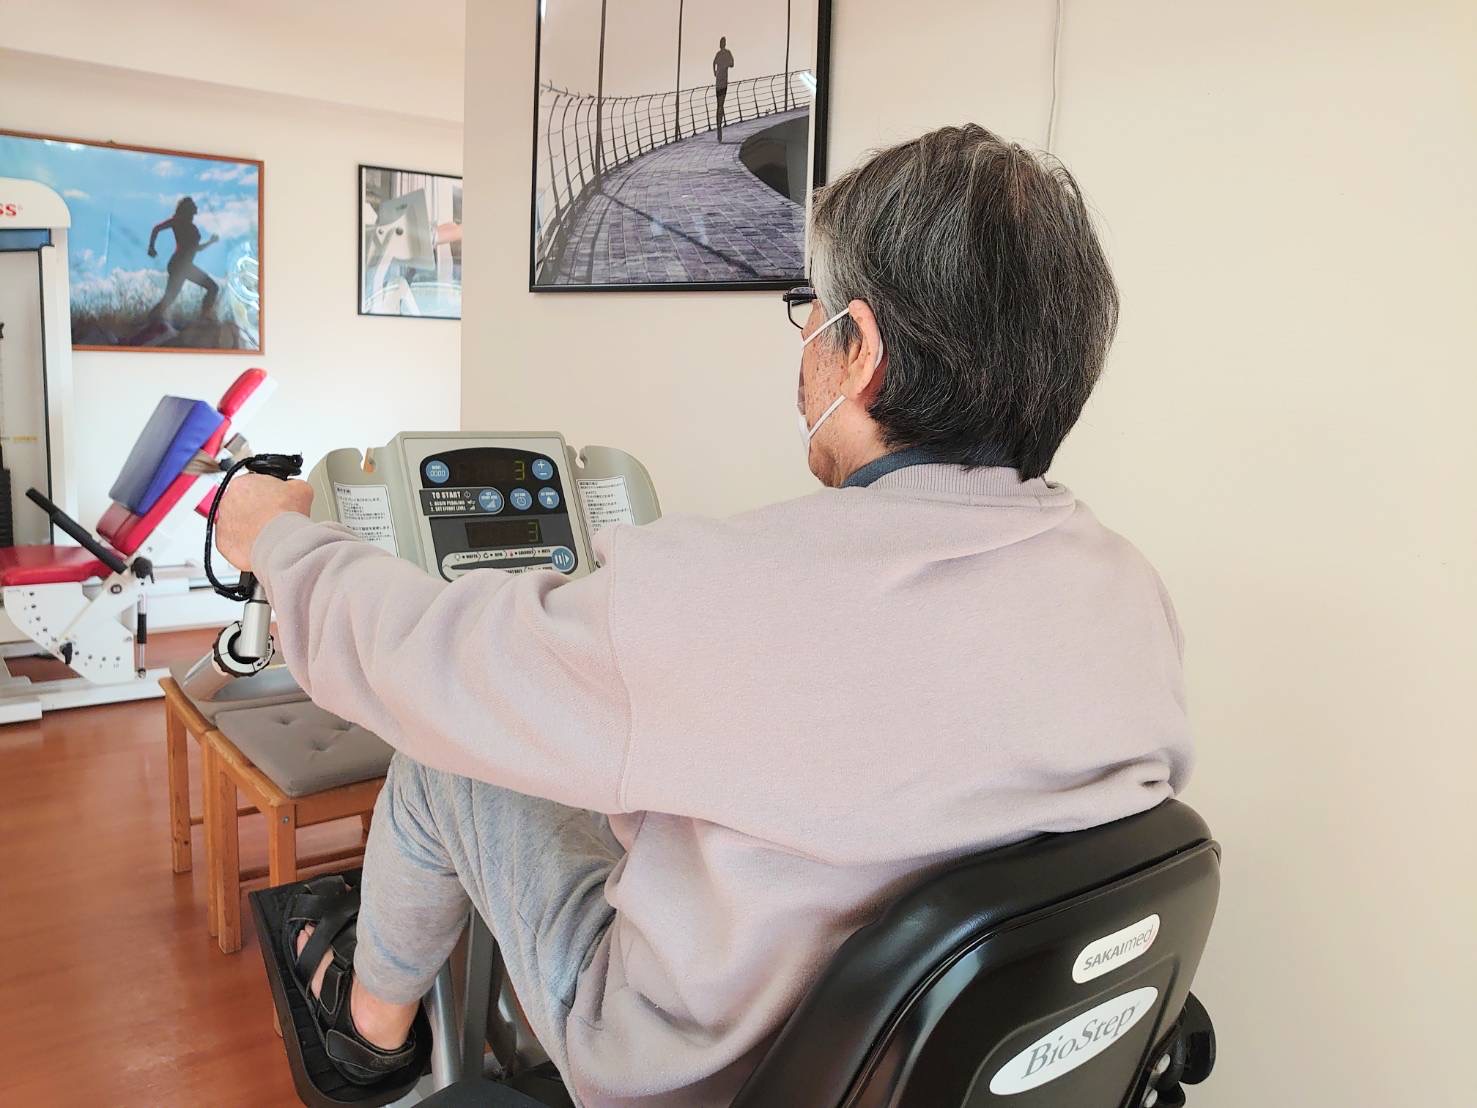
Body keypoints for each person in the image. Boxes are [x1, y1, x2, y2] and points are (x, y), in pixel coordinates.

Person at [214, 124, 1192, 1107]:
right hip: (927, 1076)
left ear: (859, 352)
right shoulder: (1124, 588)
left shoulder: (723, 592)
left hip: (688, 1076)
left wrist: (278, 541)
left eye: (810, 315)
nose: (804, 344)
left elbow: (424, 663)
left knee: (450, 755)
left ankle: (365, 1032)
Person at [145, 196, 220, 322]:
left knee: (169, 298)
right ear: (187, 209)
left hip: (185, 266)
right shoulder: (178, 220)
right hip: (179, 265)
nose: (195, 208)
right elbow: (156, 228)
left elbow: (196, 249)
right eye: (192, 206)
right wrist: (151, 247)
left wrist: (211, 242)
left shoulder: (192, 227)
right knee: (212, 287)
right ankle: (204, 318)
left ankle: (151, 319)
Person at [712, 36, 735, 141]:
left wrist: (715, 72)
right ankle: (719, 125)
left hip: (719, 82)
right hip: (722, 83)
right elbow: (732, 64)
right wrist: (725, 66)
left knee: (719, 105)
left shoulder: (720, 54)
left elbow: (714, 63)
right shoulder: (726, 53)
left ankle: (719, 124)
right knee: (720, 104)